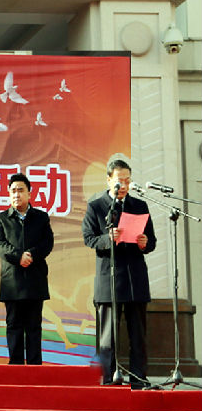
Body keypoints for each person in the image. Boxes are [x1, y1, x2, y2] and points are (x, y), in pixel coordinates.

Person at [82, 158, 156, 388]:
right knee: (108, 336)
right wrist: (108, 239)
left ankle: (138, 378)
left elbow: (151, 241)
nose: (123, 185)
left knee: (138, 335)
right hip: (109, 279)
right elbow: (89, 238)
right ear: (108, 180)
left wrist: (144, 243)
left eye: (127, 180)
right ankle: (108, 379)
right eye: (119, 181)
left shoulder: (139, 206)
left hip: (135, 278)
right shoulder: (97, 206)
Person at [0, 172, 54, 365]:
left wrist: (32, 255)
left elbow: (48, 243)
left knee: (34, 328)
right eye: (13, 191)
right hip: (12, 282)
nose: (16, 194)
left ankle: (35, 369)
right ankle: (15, 368)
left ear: (29, 193)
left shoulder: (41, 218)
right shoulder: (1, 219)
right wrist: (19, 256)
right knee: (14, 326)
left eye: (20, 190)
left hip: (35, 279)